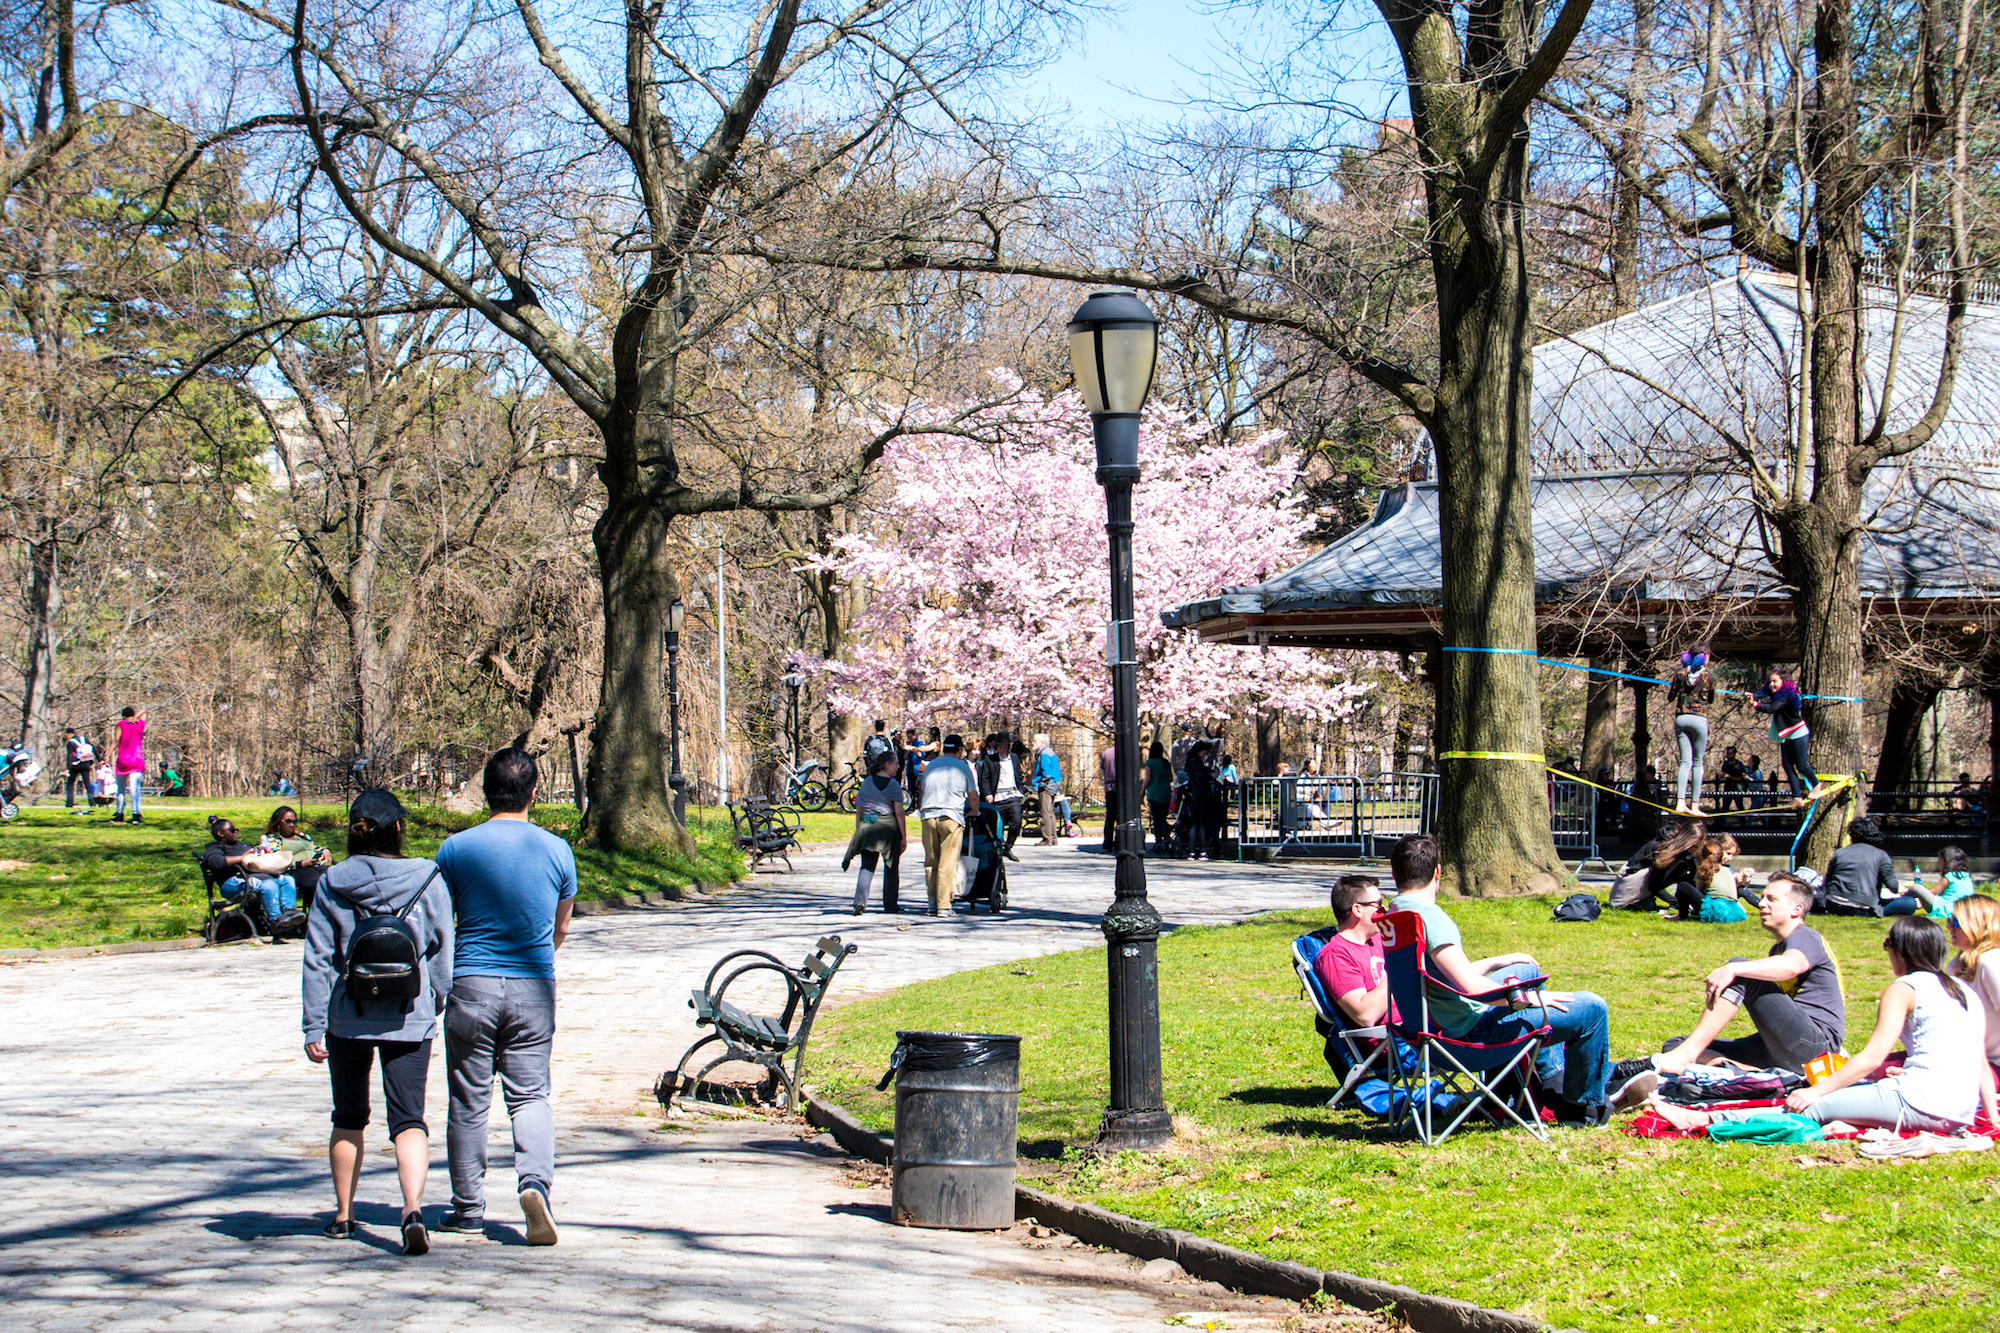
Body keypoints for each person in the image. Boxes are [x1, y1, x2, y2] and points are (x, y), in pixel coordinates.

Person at [1653, 916, 1997, 1135]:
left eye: (1887, 945)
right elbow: (1978, 1061)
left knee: (1802, 1106)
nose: (1886, 951)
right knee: (1843, 1100)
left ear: (1901, 952)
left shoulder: (1903, 989)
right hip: (1960, 1112)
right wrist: (1992, 1119)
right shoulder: (1964, 990)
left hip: (1920, 1104)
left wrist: (1815, 1091)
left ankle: (1705, 1121)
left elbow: (1872, 1057)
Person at [300, 789, 453, 1252]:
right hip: (409, 1014)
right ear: (399, 829)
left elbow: (318, 959)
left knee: (348, 1117)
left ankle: (344, 1216)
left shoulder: (332, 881)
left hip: (348, 1016)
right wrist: (434, 999)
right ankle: (411, 1211)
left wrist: (313, 1024)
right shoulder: (428, 877)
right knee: (410, 1120)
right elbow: (443, 948)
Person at [435, 746, 576, 1246]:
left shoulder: (455, 849)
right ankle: (535, 1182)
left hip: (470, 982)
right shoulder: (558, 850)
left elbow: (439, 921)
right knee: (530, 1094)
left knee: (469, 1099)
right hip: (534, 984)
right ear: (534, 794)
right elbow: (562, 925)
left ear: (486, 794)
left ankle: (467, 1208)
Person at [1386, 833, 1614, 1125]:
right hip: (1467, 1039)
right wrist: (1532, 999)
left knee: (1525, 970)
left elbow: (1439, 974)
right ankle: (1580, 1110)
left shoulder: (1397, 915)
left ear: (1395, 874)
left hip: (1428, 1030)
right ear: (1438, 872)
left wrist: (1499, 961)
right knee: (1593, 1009)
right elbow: (1470, 988)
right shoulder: (1430, 918)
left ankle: (1530, 1089)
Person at [1654, 871, 1845, 1078]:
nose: (1762, 904)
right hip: (1779, 1048)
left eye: (1772, 899)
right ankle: (1748, 1073)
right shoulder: (1778, 949)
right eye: (1763, 898)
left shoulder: (1805, 936)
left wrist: (1733, 969)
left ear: (1796, 909)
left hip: (1812, 1047)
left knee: (1739, 968)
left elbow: (1792, 965)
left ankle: (1687, 1056)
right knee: (1675, 1044)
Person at [1315, 874, 1396, 1034]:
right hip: (1398, 1044)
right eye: (1378, 904)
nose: (1384, 910)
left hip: (1422, 1027)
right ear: (1357, 910)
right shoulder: (1336, 955)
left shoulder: (1378, 941)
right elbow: (1365, 1015)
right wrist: (1399, 970)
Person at [916, 734, 978, 915]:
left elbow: (923, 790)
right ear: (959, 750)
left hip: (928, 815)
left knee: (931, 861)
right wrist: (975, 810)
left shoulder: (931, 766)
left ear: (944, 749)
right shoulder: (963, 767)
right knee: (948, 861)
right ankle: (944, 905)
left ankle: (932, 901)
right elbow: (973, 795)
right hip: (950, 815)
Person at [201, 817, 301, 925]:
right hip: (232, 882)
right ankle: (275, 920)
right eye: (232, 830)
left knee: (287, 879)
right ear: (220, 834)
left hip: (253, 877)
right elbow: (217, 862)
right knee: (268, 885)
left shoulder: (241, 845)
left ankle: (289, 912)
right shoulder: (215, 847)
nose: (236, 832)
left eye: (236, 830)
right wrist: (243, 858)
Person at [842, 749, 906, 914]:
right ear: (887, 764)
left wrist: (859, 830)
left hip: (868, 824)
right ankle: (891, 904)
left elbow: (859, 809)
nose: (898, 767)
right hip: (887, 826)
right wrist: (903, 836)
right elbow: (899, 812)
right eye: (896, 763)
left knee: (867, 866)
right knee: (891, 867)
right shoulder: (893, 785)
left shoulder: (867, 783)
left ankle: (860, 901)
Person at [1947, 895, 2000, 1080]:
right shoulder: (1955, 965)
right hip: (1966, 1060)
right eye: (1949, 919)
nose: (1948, 927)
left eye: (1955, 922)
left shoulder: (1991, 961)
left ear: (1977, 925)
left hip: (1993, 1066)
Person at [1752, 667, 1822, 806]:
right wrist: (1752, 696)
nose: (1772, 684)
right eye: (1770, 682)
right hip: (1786, 735)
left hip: (1798, 733)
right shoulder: (1776, 695)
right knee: (1788, 766)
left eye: (1775, 681)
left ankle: (1817, 784)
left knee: (1801, 766)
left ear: (1784, 681)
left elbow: (1772, 708)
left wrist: (1755, 704)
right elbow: (1766, 698)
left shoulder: (1788, 695)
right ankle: (1797, 797)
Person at [1610, 818, 1705, 911]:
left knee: (1684, 868)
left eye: (1698, 847)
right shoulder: (1665, 847)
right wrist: (1676, 902)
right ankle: (1645, 899)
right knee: (1680, 867)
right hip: (1627, 884)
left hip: (1642, 880)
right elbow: (1654, 885)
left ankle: (1650, 899)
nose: (1695, 850)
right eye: (1694, 847)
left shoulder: (1684, 853)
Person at [1667, 643, 1717, 815]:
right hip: (1699, 719)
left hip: (1681, 718)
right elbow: (1710, 700)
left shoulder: (1680, 673)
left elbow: (1671, 696)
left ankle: (1680, 803)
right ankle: (1695, 805)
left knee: (1685, 762)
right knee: (1697, 762)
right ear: (1705, 657)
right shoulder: (1708, 676)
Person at [1822, 817, 1902, 916]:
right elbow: (1893, 886)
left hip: (1833, 904)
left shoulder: (1840, 852)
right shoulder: (1881, 855)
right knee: (1909, 903)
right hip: (1863, 907)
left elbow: (1827, 881)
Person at [266, 805, 335, 905]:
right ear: (278, 822)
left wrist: (325, 850)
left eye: (294, 822)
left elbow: (314, 847)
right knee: (314, 880)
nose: (292, 825)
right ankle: (317, 915)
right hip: (295, 870)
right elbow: (276, 861)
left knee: (334, 875)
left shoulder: (302, 836)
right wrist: (300, 864)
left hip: (316, 866)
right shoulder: (274, 840)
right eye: (288, 821)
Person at [1671, 834, 1746, 923]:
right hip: (1734, 912)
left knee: (1683, 885)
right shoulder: (1727, 870)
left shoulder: (1703, 870)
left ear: (1702, 855)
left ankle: (1682, 916)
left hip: (1716, 911)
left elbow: (1699, 892)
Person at [975, 733, 1024, 861]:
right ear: (997, 747)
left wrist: (1021, 790)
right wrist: (988, 794)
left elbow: (1018, 774)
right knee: (998, 826)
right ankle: (998, 849)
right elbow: (985, 779)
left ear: (1008, 747)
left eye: (1005, 747)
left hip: (1013, 795)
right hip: (998, 797)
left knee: (1016, 822)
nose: (1002, 750)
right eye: (1000, 747)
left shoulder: (1013, 758)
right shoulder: (990, 759)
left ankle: (1008, 847)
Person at [111, 706, 146, 824]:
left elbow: (116, 740)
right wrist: (138, 714)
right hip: (136, 759)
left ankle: (119, 813)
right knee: (134, 789)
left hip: (123, 759)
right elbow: (145, 712)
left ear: (123, 716)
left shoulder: (120, 724)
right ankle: (136, 814)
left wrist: (108, 754)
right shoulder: (140, 724)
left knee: (120, 789)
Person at [1143, 740, 1173, 856]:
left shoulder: (1150, 762)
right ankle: (1166, 837)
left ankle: (1159, 840)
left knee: (1156, 818)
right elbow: (1171, 778)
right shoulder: (1166, 763)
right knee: (1163, 817)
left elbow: (1148, 778)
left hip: (1154, 793)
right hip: (1165, 793)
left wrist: (1142, 790)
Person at [62, 729, 94, 809]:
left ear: (69, 734)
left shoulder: (70, 743)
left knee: (70, 783)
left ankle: (69, 803)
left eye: (66, 734)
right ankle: (92, 803)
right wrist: (100, 760)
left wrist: (68, 768)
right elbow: (94, 749)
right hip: (86, 764)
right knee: (87, 784)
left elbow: (70, 755)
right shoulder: (84, 739)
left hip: (75, 765)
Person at [1099, 743, 1118, 850]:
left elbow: (1102, 770)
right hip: (1121, 788)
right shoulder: (1124, 753)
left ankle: (1107, 842)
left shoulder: (1107, 753)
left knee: (1110, 816)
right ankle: (1120, 840)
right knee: (1121, 815)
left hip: (1109, 787)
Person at [1718, 746, 1747, 813]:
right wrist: (1722, 775)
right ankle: (1722, 822)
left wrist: (1729, 776)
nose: (1728, 755)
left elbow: (1741, 778)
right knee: (1725, 807)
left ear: (1734, 754)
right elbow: (1723, 773)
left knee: (1740, 806)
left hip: (1737, 788)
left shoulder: (1739, 764)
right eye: (1727, 753)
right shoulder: (1725, 764)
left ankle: (1743, 822)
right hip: (1727, 788)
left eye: (1729, 753)